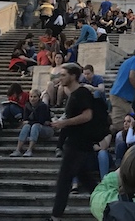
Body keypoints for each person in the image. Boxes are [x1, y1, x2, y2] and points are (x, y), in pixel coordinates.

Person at [50, 63, 100, 221]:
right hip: (75, 143)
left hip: (78, 144)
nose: (60, 78)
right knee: (87, 180)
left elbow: (88, 116)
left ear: (73, 76)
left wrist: (64, 123)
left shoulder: (81, 93)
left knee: (64, 180)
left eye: (63, 75)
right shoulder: (73, 94)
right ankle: (111, 203)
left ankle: (55, 216)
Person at [109, 47, 135, 127]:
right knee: (118, 125)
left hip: (120, 95)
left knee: (133, 119)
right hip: (121, 96)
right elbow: (132, 77)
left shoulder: (128, 61)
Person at [10, 89, 52, 157]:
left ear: (39, 98)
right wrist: (28, 122)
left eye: (35, 97)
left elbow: (41, 121)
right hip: (32, 127)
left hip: (45, 128)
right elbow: (25, 119)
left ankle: (29, 150)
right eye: (31, 96)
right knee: (26, 126)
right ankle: (18, 149)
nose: (32, 99)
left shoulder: (43, 106)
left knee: (35, 125)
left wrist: (29, 122)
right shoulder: (27, 106)